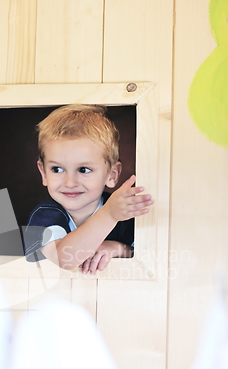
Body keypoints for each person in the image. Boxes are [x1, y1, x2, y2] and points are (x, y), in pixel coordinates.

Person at [24, 104, 153, 274]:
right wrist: (108, 215)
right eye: (57, 169)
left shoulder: (121, 211)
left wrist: (118, 248)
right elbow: (63, 258)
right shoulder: (45, 215)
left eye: (84, 170)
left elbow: (149, 255)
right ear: (44, 173)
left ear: (112, 175)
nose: (70, 182)